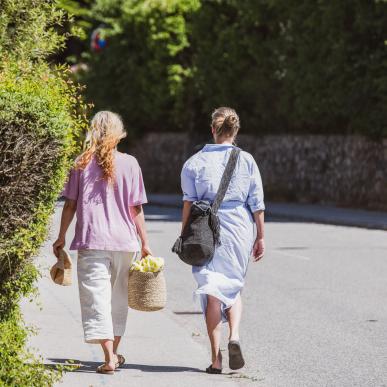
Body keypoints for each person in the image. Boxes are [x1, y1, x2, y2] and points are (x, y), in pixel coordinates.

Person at [52, 111, 151, 375]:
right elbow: (136, 209)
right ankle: (114, 354)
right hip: (125, 242)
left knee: (96, 298)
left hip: (92, 241)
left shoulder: (81, 163)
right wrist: (144, 242)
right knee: (118, 300)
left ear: (93, 131)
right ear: (119, 134)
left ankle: (109, 356)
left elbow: (70, 205)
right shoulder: (131, 164)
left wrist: (61, 236)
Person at [179, 107, 265, 374]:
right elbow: (257, 203)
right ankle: (234, 335)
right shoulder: (247, 160)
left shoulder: (194, 162)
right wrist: (260, 235)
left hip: (205, 228)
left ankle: (216, 359)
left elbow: (188, 203)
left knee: (212, 290)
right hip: (239, 226)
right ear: (235, 130)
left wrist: (184, 235)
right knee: (233, 285)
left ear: (213, 129)